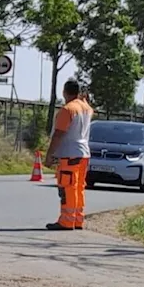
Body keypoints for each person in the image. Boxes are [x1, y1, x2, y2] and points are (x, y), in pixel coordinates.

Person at [44, 80, 93, 230]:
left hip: (70, 154)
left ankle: (66, 220)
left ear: (64, 92)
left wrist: (50, 154)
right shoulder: (86, 108)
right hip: (84, 153)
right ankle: (77, 219)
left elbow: (59, 134)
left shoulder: (67, 109)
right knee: (78, 187)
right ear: (78, 92)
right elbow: (88, 105)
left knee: (68, 187)